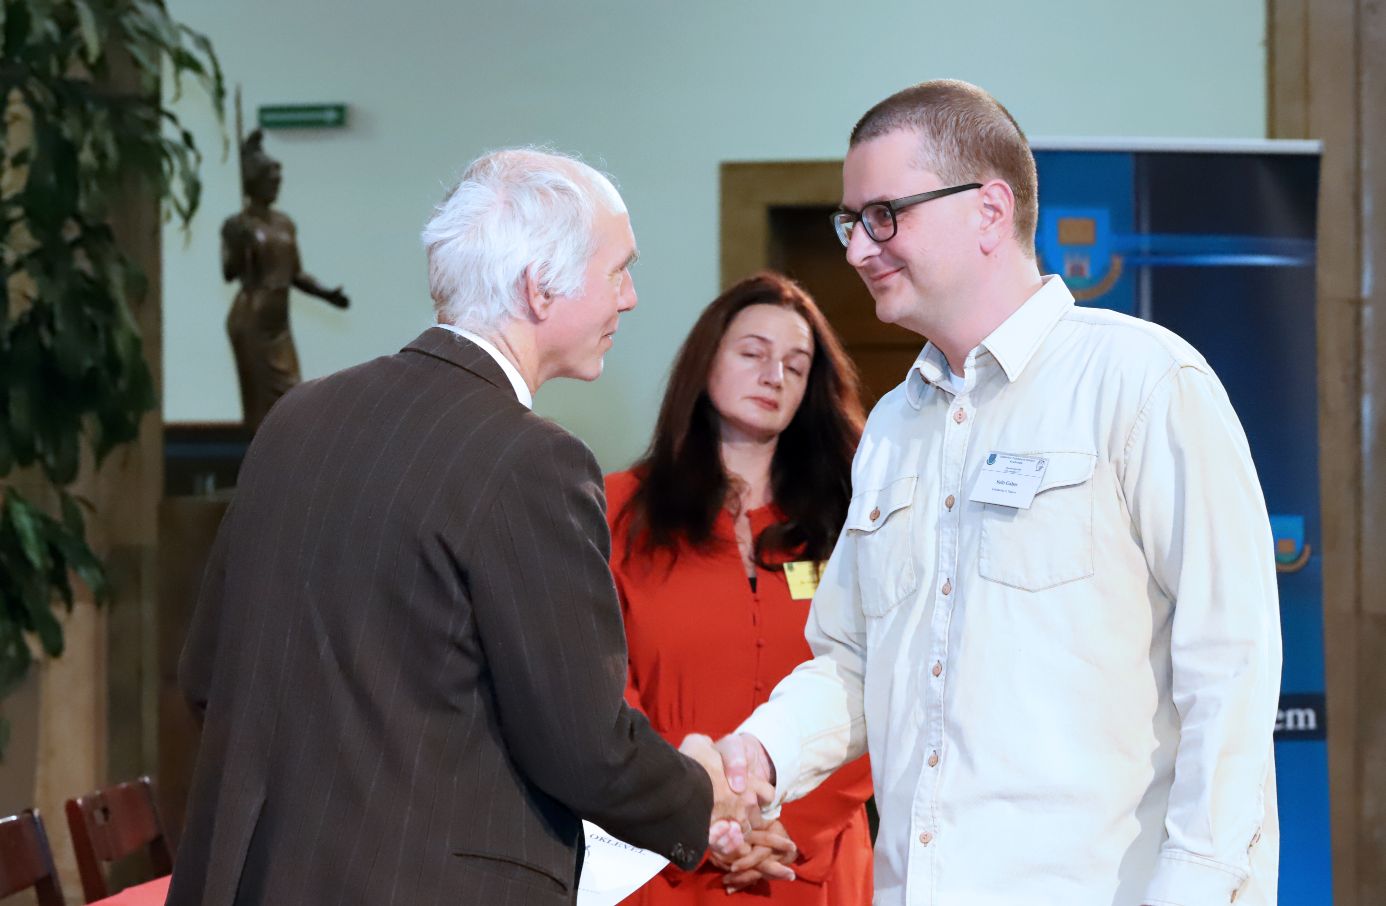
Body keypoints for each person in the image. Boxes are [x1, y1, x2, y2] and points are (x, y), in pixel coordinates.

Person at [712, 80, 1283, 906]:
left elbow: (1230, 671)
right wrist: (762, 750)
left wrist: (1197, 886)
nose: (858, 249)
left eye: (884, 216)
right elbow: (855, 663)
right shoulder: (894, 427)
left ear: (989, 210)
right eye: (850, 222)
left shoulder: (1144, 382)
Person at [171, 148, 746, 906]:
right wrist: (701, 795)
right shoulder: (533, 461)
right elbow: (581, 746)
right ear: (540, 287)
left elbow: (207, 676)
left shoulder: (296, 418)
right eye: (618, 272)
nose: (631, 298)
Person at [607, 272, 873, 904]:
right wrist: (695, 815)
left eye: (795, 366)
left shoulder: (855, 519)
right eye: (753, 353)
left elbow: (879, 683)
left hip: (809, 861)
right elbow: (603, 692)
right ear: (705, 363)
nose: (773, 375)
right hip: (660, 855)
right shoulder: (618, 510)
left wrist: (783, 829)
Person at [221, 129, 349, 433]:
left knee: (291, 394)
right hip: (251, 319)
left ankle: (284, 454)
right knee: (258, 402)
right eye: (270, 181)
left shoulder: (284, 223)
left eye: (278, 181)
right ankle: (259, 457)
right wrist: (240, 244)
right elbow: (229, 272)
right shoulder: (237, 225)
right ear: (254, 182)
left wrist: (326, 294)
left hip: (277, 322)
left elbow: (295, 274)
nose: (276, 186)